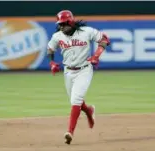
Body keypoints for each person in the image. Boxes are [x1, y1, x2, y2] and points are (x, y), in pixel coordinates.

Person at [47, 10, 110, 145]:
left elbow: (104, 39)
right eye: (60, 24)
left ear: (71, 22)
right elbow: (50, 49)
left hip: (84, 70)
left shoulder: (86, 31)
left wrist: (96, 55)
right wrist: (52, 62)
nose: (62, 27)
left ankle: (70, 132)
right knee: (76, 100)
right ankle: (89, 111)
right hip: (68, 72)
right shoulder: (57, 36)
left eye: (64, 24)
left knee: (75, 100)